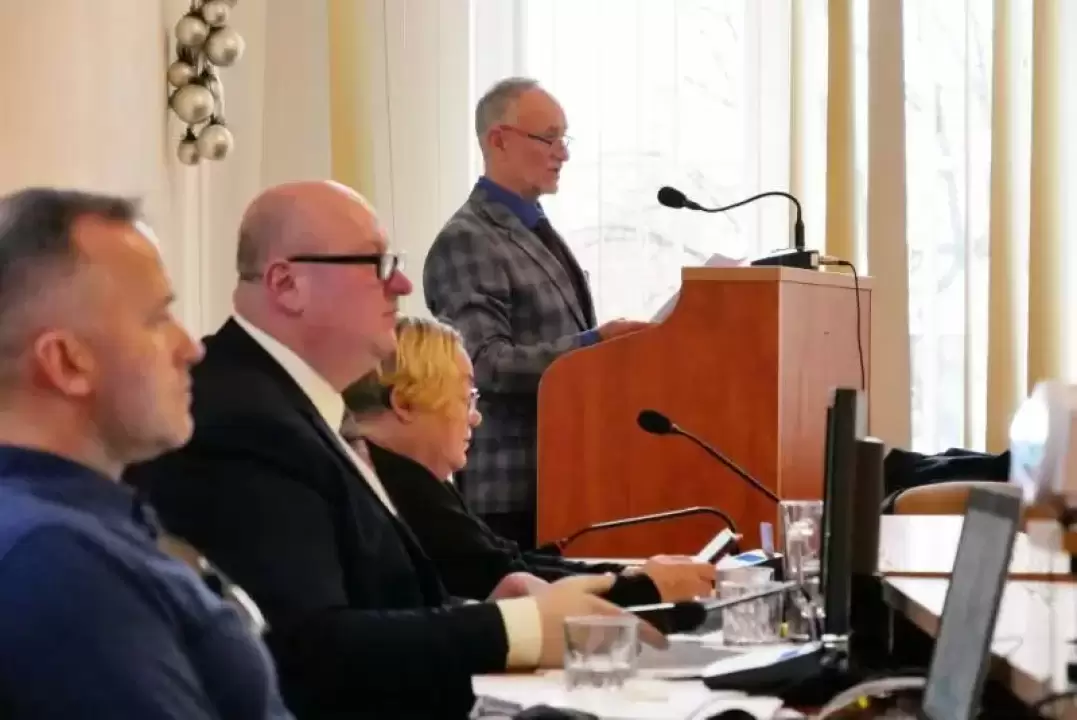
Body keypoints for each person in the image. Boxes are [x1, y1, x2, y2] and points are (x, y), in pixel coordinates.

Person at [125, 180, 665, 719]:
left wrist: (486, 610)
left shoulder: (290, 404)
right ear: (287, 284)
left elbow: (381, 604)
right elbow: (311, 649)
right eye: (376, 264)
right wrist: (518, 626)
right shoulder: (242, 417)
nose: (402, 284)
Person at [0, 188, 292, 718]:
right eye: (158, 319)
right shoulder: (54, 561)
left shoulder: (87, 524)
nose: (191, 347)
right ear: (67, 362)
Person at [342, 315, 717, 606]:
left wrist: (631, 574)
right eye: (466, 398)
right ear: (405, 403)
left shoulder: (410, 475)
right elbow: (504, 581)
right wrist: (641, 585)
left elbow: (509, 564)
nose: (476, 417)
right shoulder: (399, 486)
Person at [424, 77, 651, 550]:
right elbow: (484, 363)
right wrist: (593, 344)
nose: (562, 153)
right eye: (548, 138)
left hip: (564, 476)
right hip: (512, 488)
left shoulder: (532, 227)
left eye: (564, 139)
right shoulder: (469, 237)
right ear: (499, 140)